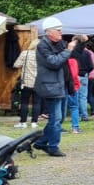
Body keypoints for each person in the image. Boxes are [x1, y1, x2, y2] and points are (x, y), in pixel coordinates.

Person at [32, 17, 76, 156]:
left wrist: (80, 41)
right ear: (49, 32)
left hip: (61, 84)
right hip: (50, 86)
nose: (61, 32)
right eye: (58, 30)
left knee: (59, 118)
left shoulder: (59, 43)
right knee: (56, 119)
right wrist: (68, 50)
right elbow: (54, 62)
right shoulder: (42, 45)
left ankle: (41, 142)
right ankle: (53, 146)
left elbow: (68, 57)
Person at [12, 39, 40, 129]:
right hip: (38, 82)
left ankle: (23, 122)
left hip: (26, 82)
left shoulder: (25, 53)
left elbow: (16, 65)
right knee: (36, 103)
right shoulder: (42, 55)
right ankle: (34, 123)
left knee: (24, 102)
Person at [71, 35, 94, 123]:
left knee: (75, 97)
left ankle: (77, 115)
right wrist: (86, 72)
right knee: (83, 97)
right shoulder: (87, 53)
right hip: (84, 75)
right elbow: (91, 66)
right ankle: (84, 115)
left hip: (74, 76)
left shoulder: (72, 52)